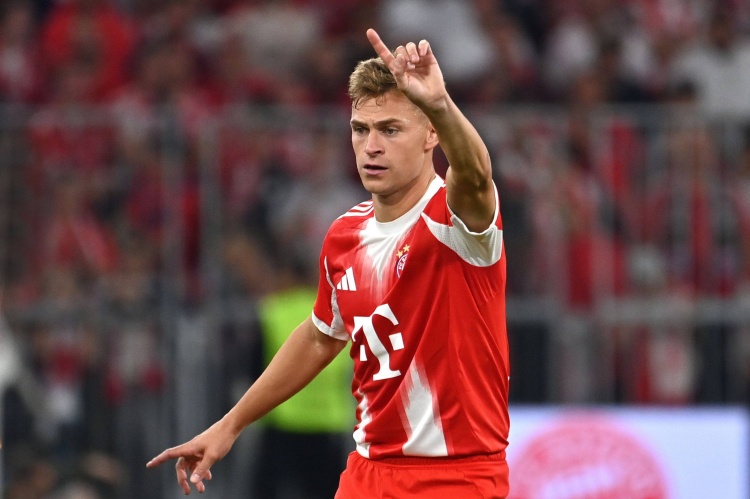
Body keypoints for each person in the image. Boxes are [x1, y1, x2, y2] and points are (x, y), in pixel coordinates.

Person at [147, 28, 510, 498]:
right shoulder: (344, 236)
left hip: (456, 476)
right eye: (361, 129)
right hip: (369, 472)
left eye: (390, 130)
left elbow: (476, 174)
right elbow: (321, 336)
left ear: (430, 135)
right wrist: (229, 425)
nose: (371, 146)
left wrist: (439, 103)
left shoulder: (455, 219)